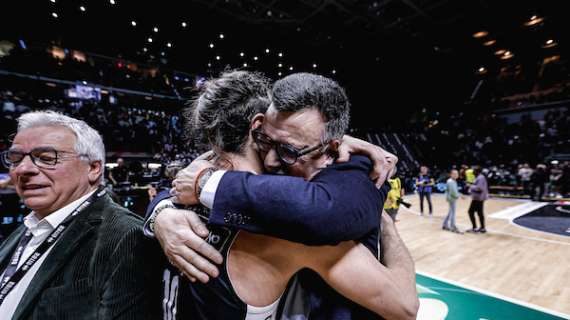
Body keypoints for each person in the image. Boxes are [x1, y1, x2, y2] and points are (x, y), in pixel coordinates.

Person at [150, 72, 417, 319]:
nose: (276, 160)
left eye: (289, 150)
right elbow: (405, 306)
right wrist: (387, 226)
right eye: (274, 143)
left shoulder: (180, 199)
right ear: (259, 125)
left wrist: (160, 212)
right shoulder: (286, 232)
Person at [0, 111, 156, 319]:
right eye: (15, 159)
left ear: (93, 168)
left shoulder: (126, 236)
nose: (23, 169)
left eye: (46, 158)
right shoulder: (29, 224)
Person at [466, 166, 489, 233]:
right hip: (479, 198)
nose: (472, 171)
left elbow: (479, 188)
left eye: (474, 170)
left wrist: (470, 186)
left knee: (470, 212)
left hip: (478, 198)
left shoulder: (480, 178)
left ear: (477, 171)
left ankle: (475, 228)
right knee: (480, 213)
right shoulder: (479, 177)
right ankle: (482, 228)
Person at [442, 169, 462, 234]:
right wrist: (459, 196)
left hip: (452, 198)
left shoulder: (453, 181)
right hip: (452, 199)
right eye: (455, 174)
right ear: (451, 174)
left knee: (450, 212)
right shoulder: (450, 181)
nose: (457, 175)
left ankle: (444, 224)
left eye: (457, 174)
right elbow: (453, 192)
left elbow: (455, 190)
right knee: (453, 213)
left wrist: (459, 195)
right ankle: (452, 226)